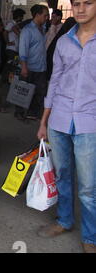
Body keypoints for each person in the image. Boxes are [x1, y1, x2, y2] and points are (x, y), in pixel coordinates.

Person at [36, 0, 96, 254]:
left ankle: (90, 236)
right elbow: (55, 81)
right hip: (59, 119)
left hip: (89, 121)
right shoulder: (62, 42)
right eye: (77, 3)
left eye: (88, 3)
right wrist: (43, 121)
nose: (81, 9)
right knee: (62, 175)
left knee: (87, 187)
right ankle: (64, 220)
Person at [15, 4, 49, 121]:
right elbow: (23, 50)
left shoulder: (43, 29)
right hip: (29, 67)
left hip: (40, 67)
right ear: (37, 15)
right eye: (45, 15)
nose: (47, 18)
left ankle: (32, 113)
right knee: (23, 92)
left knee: (39, 92)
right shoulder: (27, 30)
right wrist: (24, 67)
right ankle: (19, 113)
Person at [2, 8, 25, 83]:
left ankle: (9, 80)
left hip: (15, 50)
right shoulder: (11, 24)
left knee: (13, 65)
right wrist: (7, 42)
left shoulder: (17, 25)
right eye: (22, 16)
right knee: (10, 64)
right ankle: (5, 79)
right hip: (11, 49)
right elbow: (5, 32)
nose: (22, 18)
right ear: (18, 17)